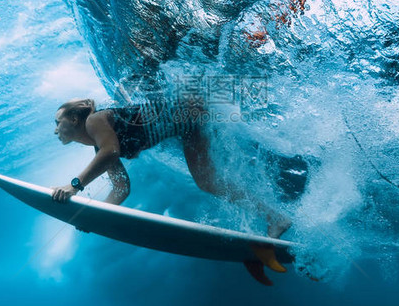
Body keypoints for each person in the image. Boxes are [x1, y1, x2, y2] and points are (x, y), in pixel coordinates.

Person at [50, 98, 294, 238]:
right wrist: (95, 218)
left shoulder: (95, 120)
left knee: (210, 179)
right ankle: (276, 218)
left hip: (189, 108)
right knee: (208, 182)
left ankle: (275, 215)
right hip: (188, 126)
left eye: (57, 122)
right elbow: (121, 187)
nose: (55, 130)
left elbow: (111, 151)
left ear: (73, 119)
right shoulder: (99, 145)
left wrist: (74, 186)